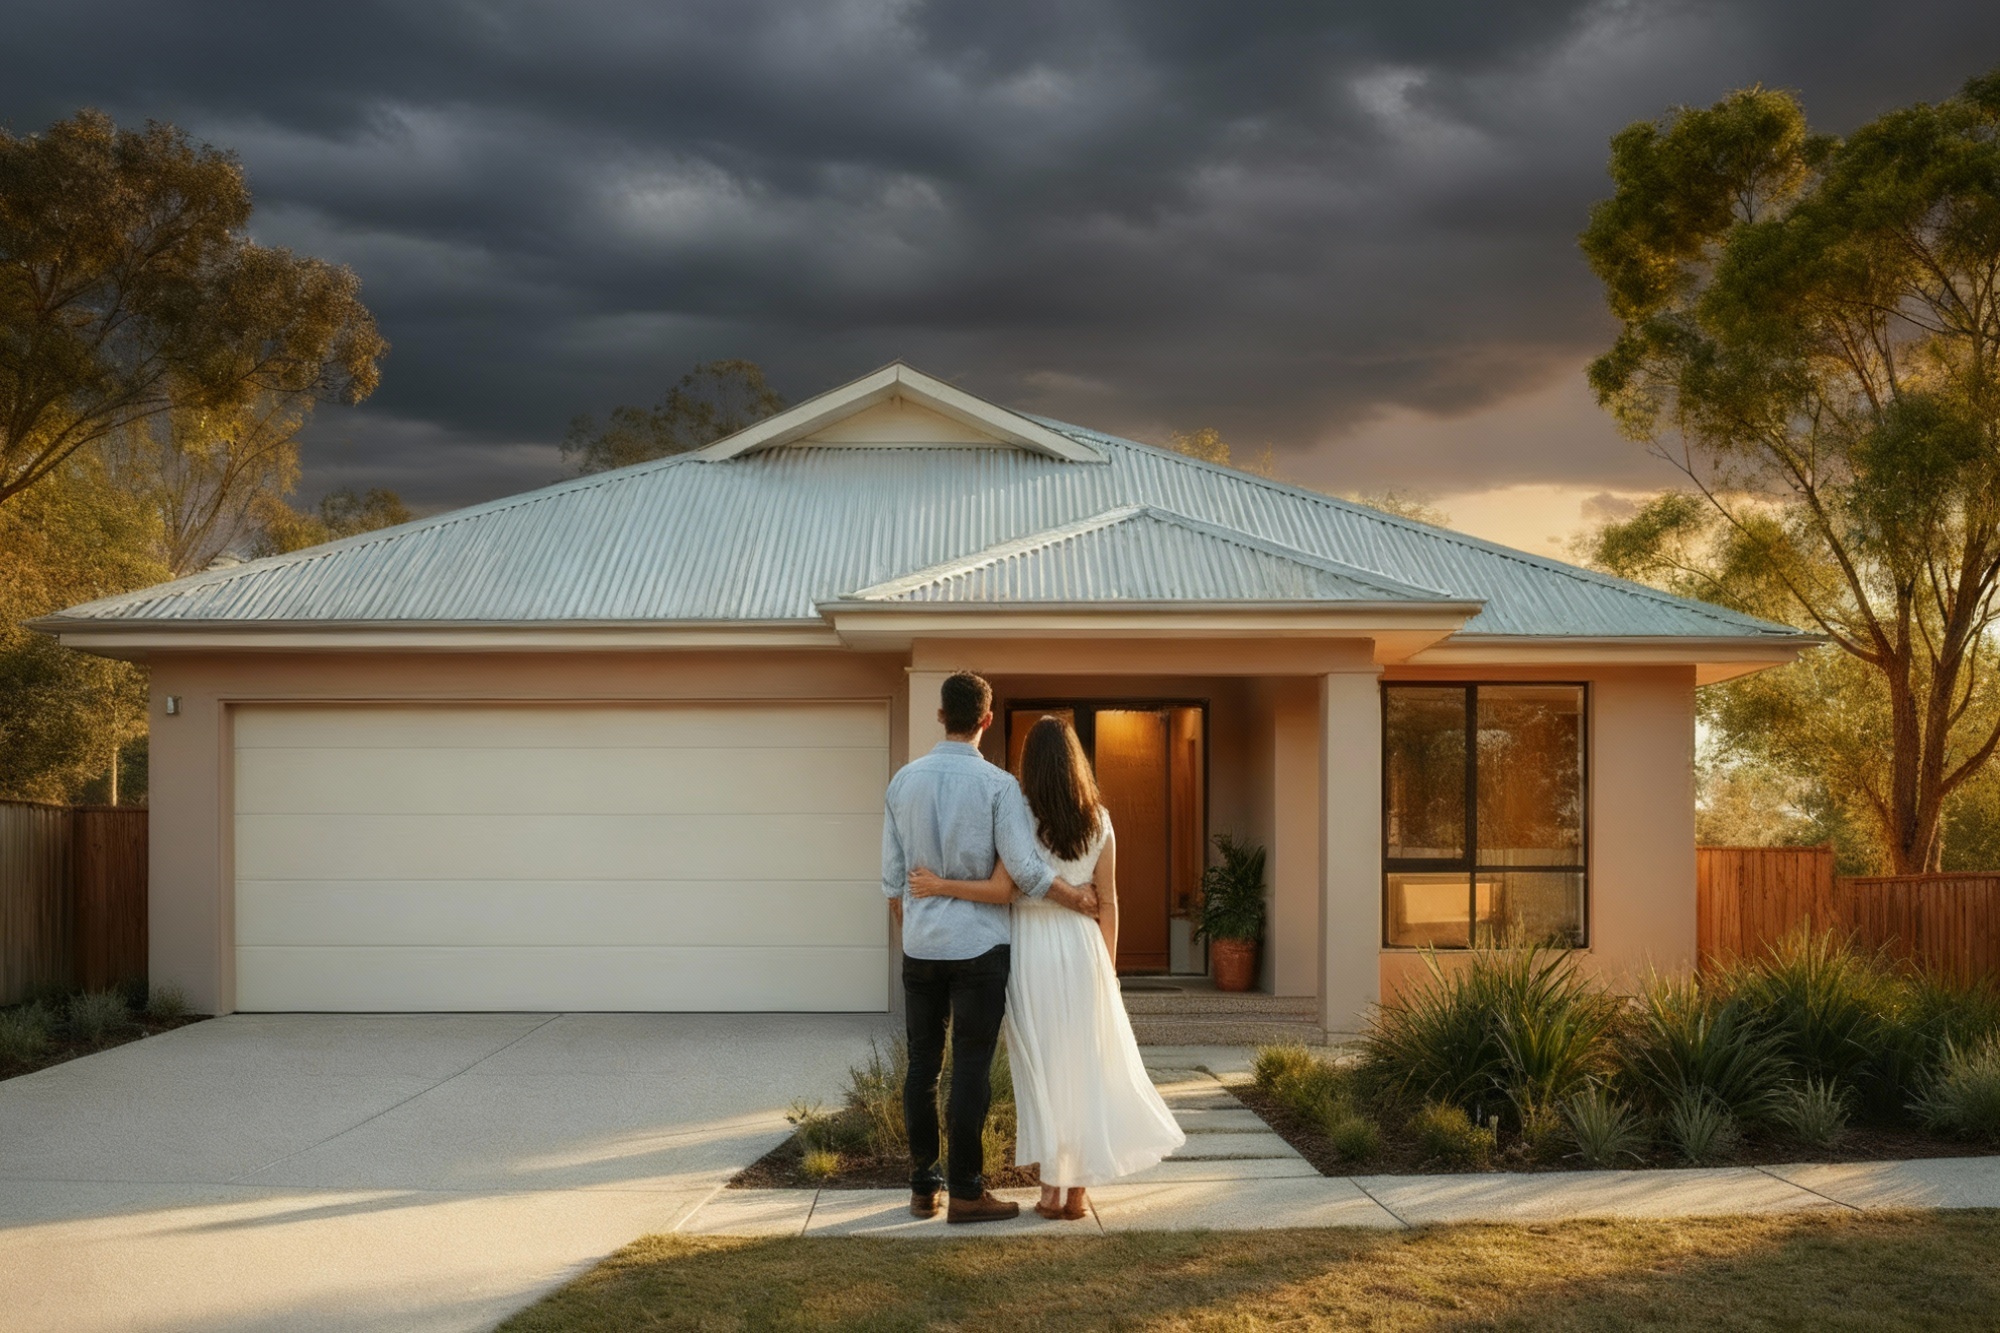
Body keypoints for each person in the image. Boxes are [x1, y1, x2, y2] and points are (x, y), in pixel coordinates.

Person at [910, 714, 1185, 1221]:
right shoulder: (1099, 820)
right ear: (1077, 763)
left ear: (1029, 767)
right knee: (1080, 1068)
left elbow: (1006, 889)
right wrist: (1110, 970)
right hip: (1084, 951)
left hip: (1030, 948)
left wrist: (940, 886)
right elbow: (1111, 902)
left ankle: (1049, 1191)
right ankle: (1073, 1191)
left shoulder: (1020, 818)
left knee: (1040, 1069)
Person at [880, 672, 1101, 1224]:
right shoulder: (999, 786)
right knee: (970, 1068)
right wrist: (1075, 896)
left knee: (923, 1068)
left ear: (939, 715)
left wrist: (913, 936)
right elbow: (1025, 871)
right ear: (985, 719)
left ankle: (922, 1186)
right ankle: (967, 1191)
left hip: (921, 947)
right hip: (980, 949)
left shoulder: (902, 783)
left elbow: (892, 883)